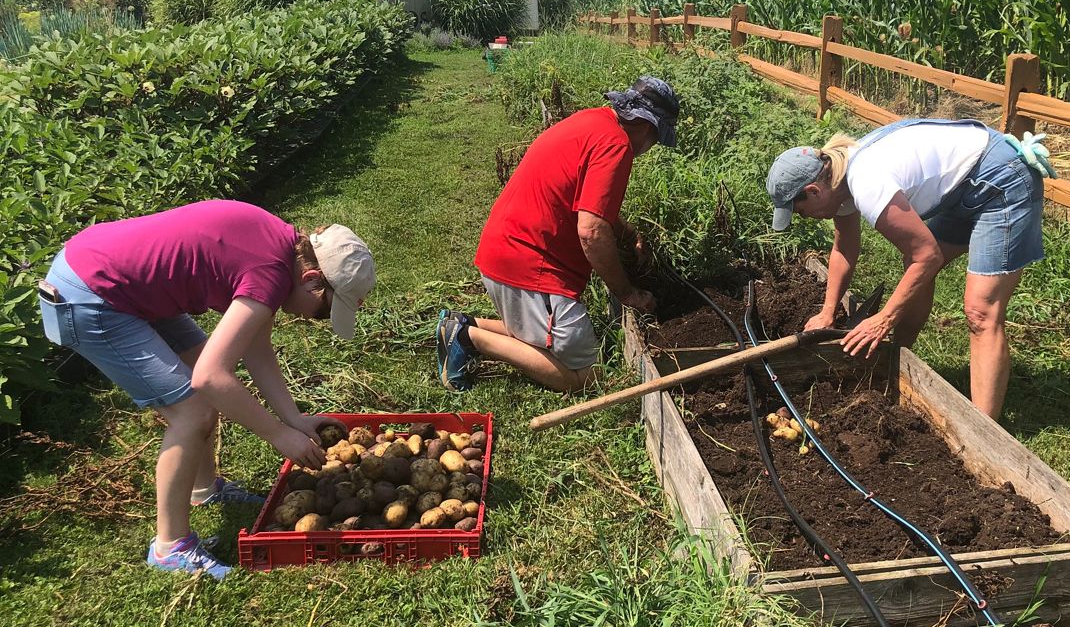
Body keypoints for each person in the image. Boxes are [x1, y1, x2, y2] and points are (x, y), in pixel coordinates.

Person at [38, 200, 376, 579]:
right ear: (312, 278)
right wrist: (279, 435)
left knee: (203, 389)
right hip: (92, 294)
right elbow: (209, 377)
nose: (315, 319)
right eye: (323, 311)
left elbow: (256, 348)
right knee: (194, 408)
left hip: (120, 279)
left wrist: (293, 418)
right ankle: (170, 546)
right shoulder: (269, 273)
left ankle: (204, 489)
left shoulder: (279, 248)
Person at [767, 119, 1055, 418]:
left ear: (814, 191)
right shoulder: (839, 182)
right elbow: (844, 248)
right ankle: (894, 364)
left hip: (1000, 180)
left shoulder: (867, 183)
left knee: (980, 310)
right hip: (965, 186)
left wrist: (884, 319)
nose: (805, 218)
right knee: (913, 266)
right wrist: (828, 312)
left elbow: (928, 257)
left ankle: (983, 429)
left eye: (799, 212)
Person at [435, 76, 681, 393]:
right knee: (590, 377)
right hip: (530, 268)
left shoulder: (593, 120)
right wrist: (627, 293)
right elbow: (591, 231)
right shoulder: (616, 146)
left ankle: (463, 325)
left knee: (541, 335)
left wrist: (627, 233)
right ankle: (470, 339)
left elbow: (589, 205)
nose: (650, 147)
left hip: (506, 250)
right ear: (649, 128)